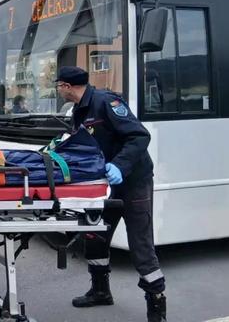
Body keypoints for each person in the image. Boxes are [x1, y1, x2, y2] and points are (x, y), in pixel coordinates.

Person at [54, 66, 166, 322]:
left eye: (59, 85)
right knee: (95, 236)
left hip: (133, 182)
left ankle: (157, 306)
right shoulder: (79, 110)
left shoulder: (106, 102)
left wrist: (119, 166)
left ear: (67, 86)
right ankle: (100, 291)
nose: (58, 90)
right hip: (104, 185)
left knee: (140, 245)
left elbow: (139, 136)